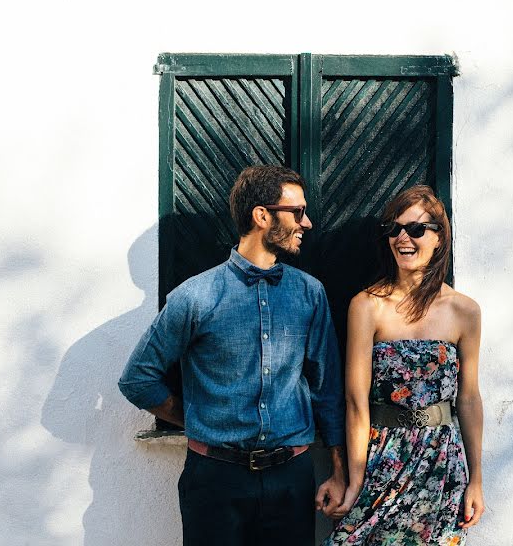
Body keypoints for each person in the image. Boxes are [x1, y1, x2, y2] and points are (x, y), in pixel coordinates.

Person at [118, 165, 346, 546]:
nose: (307, 223)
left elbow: (328, 388)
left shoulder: (310, 293)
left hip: (291, 478)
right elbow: (138, 378)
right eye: (298, 212)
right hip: (214, 480)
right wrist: (188, 416)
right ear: (262, 215)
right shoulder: (195, 296)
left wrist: (338, 471)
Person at [324, 185, 485, 545]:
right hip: (383, 457)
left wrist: (476, 479)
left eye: (416, 229)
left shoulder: (465, 312)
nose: (403, 238)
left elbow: (469, 399)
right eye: (394, 229)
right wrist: (355, 479)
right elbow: (355, 401)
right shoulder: (367, 306)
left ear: (439, 238)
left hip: (442, 463)